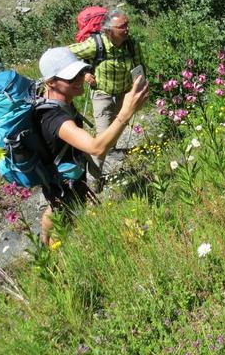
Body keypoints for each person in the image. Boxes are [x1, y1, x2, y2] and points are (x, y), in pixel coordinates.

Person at [37, 46, 148, 246]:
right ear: (51, 82)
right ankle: (53, 256)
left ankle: (43, 244)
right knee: (62, 216)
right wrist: (126, 112)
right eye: (71, 77)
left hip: (70, 175)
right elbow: (97, 147)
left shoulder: (61, 101)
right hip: (62, 181)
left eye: (81, 72)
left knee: (55, 208)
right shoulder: (53, 117)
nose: (80, 79)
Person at [68, 8, 145, 177]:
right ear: (109, 30)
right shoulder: (96, 44)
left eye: (127, 25)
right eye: (122, 27)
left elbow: (140, 67)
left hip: (124, 94)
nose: (127, 29)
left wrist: (140, 90)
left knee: (117, 128)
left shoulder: (132, 45)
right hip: (102, 94)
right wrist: (83, 73)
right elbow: (67, 54)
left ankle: (110, 152)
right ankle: (94, 179)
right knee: (102, 139)